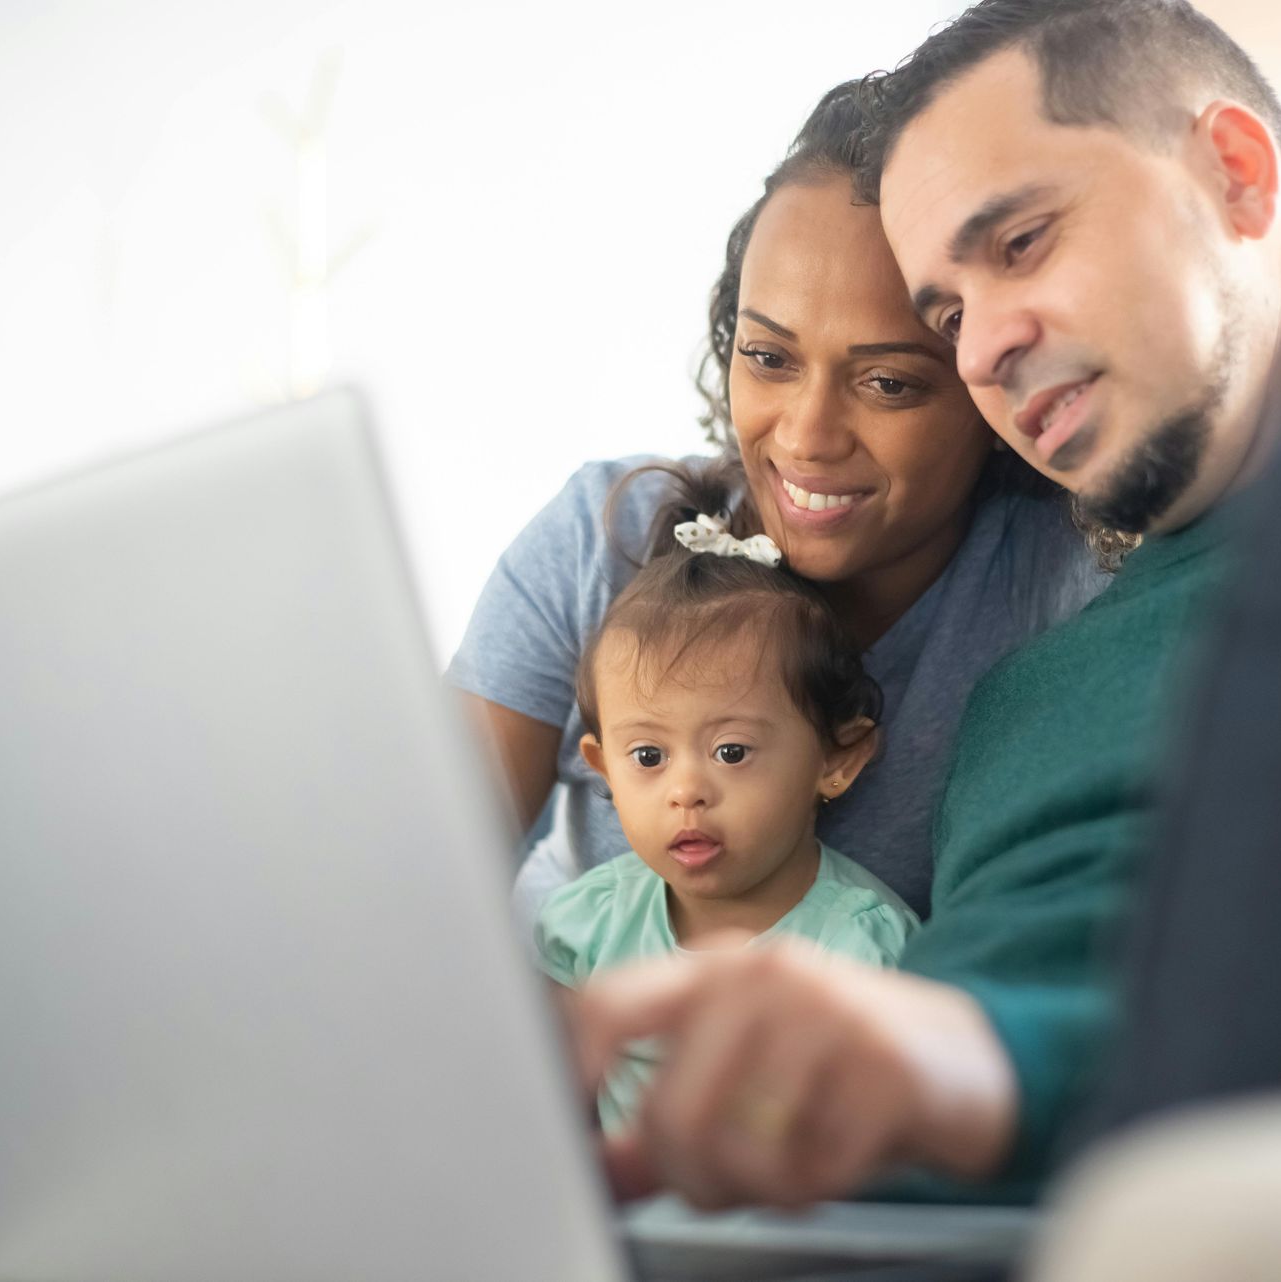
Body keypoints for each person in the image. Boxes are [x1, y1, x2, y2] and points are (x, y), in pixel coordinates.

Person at [576, 0, 1281, 1210]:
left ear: (1233, 174)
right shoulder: (1039, 693)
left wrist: (950, 1064)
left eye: (1023, 241)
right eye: (951, 312)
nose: (987, 348)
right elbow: (1012, 987)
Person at [448, 81, 1112, 925]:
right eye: (769, 358)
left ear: (993, 386)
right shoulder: (597, 540)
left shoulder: (1067, 591)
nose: (807, 436)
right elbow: (412, 888)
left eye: (889, 382)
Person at [535, 462, 920, 1131]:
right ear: (602, 768)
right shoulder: (585, 926)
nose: (686, 792)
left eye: (732, 752)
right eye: (648, 757)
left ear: (837, 758)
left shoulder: (861, 946)